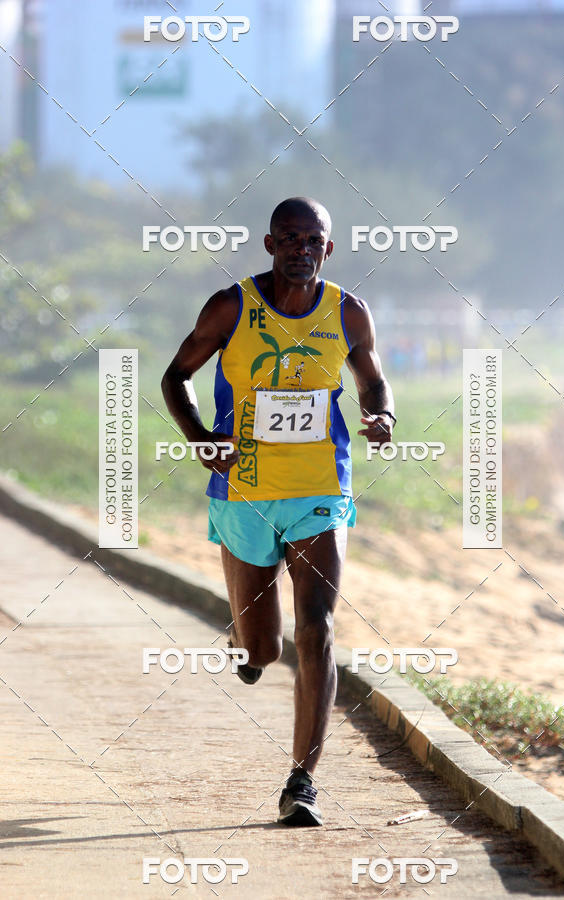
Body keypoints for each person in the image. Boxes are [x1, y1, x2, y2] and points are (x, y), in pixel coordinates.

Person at [161, 197, 395, 827]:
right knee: (263, 649)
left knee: (316, 629)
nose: (301, 250)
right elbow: (175, 376)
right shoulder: (230, 306)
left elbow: (373, 380)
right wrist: (200, 437)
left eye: (313, 240)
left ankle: (302, 782)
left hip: (321, 489)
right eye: (289, 238)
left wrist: (382, 414)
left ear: (329, 248)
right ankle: (246, 643)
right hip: (243, 489)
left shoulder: (348, 311)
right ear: (269, 244)